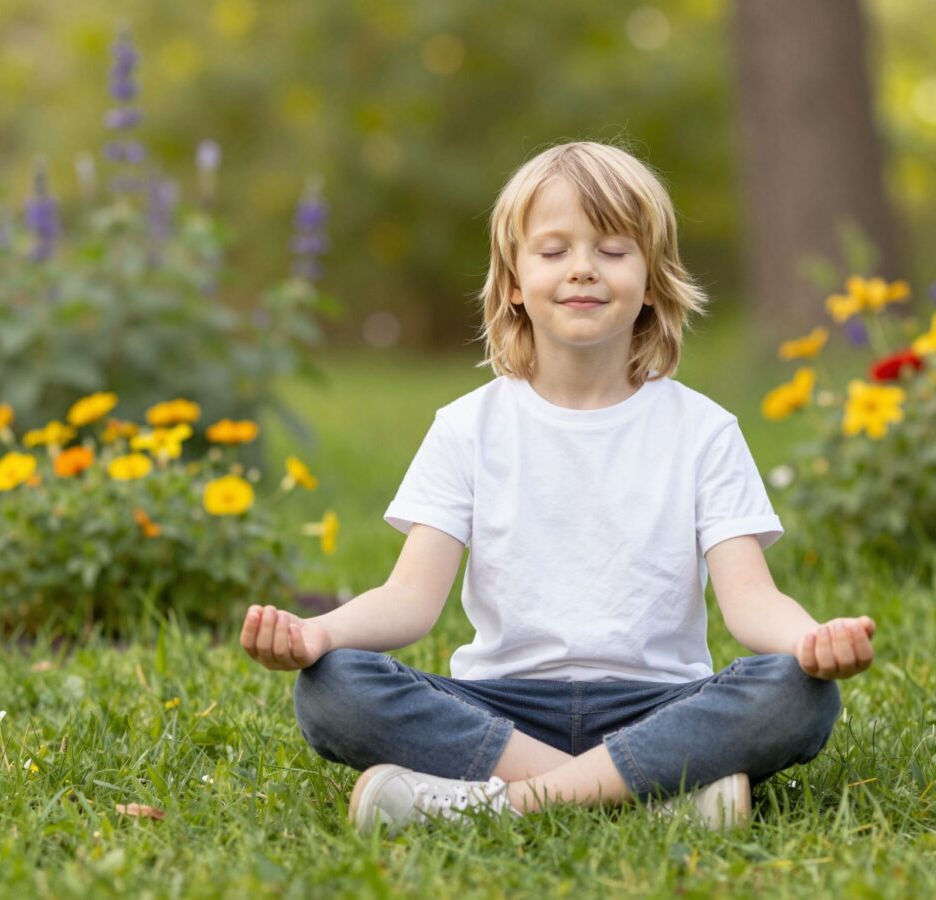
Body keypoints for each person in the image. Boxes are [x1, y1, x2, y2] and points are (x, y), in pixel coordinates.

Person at [239, 141, 876, 835]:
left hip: (659, 703)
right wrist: (318, 633)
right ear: (513, 281)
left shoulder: (703, 429)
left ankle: (496, 804)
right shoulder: (467, 428)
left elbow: (750, 602)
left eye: (612, 249)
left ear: (652, 280)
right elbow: (409, 601)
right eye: (552, 251)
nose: (582, 269)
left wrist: (813, 640)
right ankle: (652, 793)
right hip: (502, 708)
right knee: (333, 688)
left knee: (798, 694)